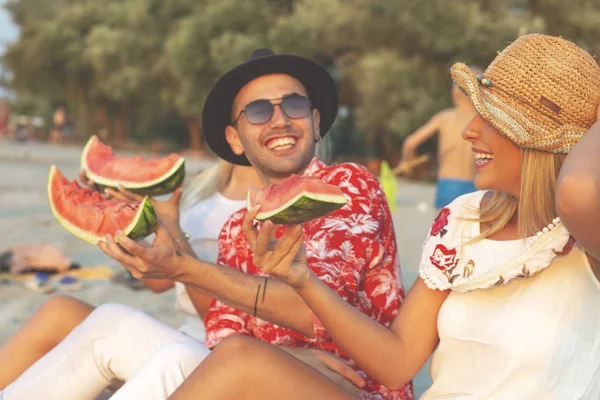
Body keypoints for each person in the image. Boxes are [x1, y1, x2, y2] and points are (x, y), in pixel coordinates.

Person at [168, 34, 600, 400]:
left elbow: (578, 191)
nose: (469, 131)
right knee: (233, 358)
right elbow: (396, 362)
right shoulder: (463, 221)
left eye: (492, 119)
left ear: (543, 140)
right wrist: (302, 280)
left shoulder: (586, 239)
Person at [1, 49, 411, 400]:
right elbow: (223, 337)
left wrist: (184, 267)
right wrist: (167, 233)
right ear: (235, 140)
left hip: (354, 388)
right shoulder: (237, 226)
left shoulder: (348, 186)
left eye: (295, 105)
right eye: (258, 110)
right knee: (112, 323)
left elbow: (315, 312)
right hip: (258, 381)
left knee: (179, 357)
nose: (281, 119)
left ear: (317, 121)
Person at [0, 159, 261, 391]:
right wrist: (110, 222)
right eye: (259, 110)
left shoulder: (265, 210)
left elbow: (223, 324)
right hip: (182, 336)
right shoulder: (202, 187)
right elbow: (161, 282)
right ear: (230, 132)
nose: (279, 119)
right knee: (60, 311)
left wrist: (173, 233)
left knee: (103, 324)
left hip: (213, 350)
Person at [394, 67, 483, 209]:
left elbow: (410, 143)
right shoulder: (484, 121)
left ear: (455, 93)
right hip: (476, 185)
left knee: (444, 228)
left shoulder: (443, 118)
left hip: (448, 185)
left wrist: (406, 161)